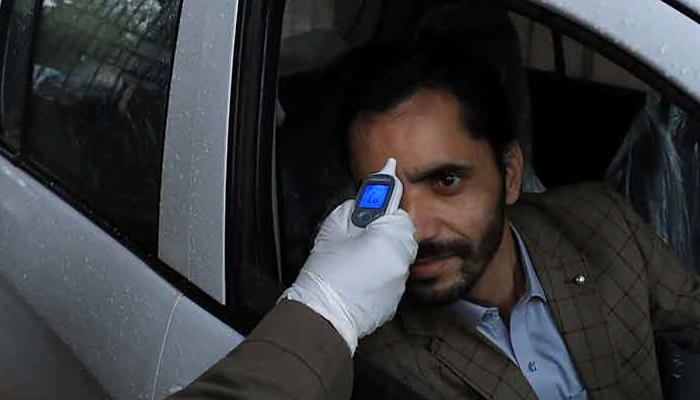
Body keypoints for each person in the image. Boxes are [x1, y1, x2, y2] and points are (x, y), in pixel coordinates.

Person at [170, 20, 700, 400]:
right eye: (386, 195)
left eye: (446, 180)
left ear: (510, 175)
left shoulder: (600, 223)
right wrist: (328, 304)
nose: (412, 230)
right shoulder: (370, 360)